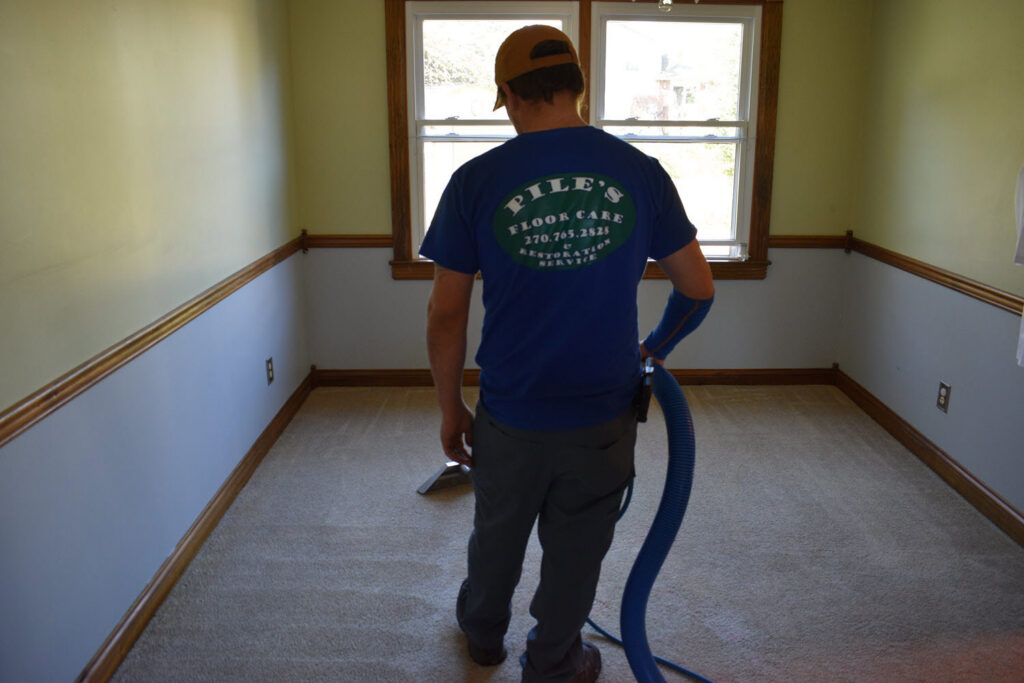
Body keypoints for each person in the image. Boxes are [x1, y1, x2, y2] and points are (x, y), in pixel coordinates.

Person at [422, 24, 714, 683]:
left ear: (509, 95)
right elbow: (698, 288)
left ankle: (483, 636)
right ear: (579, 87)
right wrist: (653, 350)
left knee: (496, 529)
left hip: (510, 410)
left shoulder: (475, 180)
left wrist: (451, 407)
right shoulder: (640, 173)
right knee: (578, 546)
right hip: (603, 413)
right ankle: (554, 658)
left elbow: (445, 311)